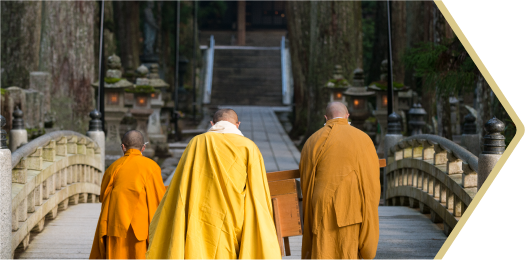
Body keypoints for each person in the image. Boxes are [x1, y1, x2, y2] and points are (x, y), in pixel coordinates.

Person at [145, 109, 281, 260]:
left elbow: (182, 182)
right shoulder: (248, 146)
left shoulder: (197, 142)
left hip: (200, 213)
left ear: (212, 123)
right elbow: (258, 189)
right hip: (235, 213)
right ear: (237, 125)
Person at [299, 102, 380, 260]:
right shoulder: (363, 139)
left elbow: (306, 179)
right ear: (347, 115)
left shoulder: (312, 140)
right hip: (350, 204)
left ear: (326, 117)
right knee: (347, 249)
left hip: (320, 204)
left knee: (322, 247)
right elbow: (371, 182)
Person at [89, 130, 166, 260]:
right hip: (140, 228)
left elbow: (103, 196)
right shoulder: (152, 167)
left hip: (116, 226)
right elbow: (159, 198)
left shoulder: (113, 167)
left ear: (123, 147)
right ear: (143, 148)